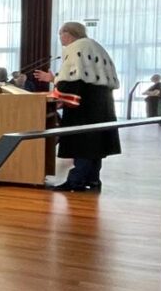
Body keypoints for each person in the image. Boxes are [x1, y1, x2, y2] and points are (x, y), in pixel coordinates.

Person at [34, 21, 120, 192]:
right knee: (96, 145)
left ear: (69, 34)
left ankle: (76, 181)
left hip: (85, 107)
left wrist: (56, 87)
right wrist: (54, 79)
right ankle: (93, 179)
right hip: (101, 103)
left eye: (61, 34)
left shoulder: (76, 48)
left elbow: (72, 80)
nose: (60, 38)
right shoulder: (96, 46)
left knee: (83, 143)